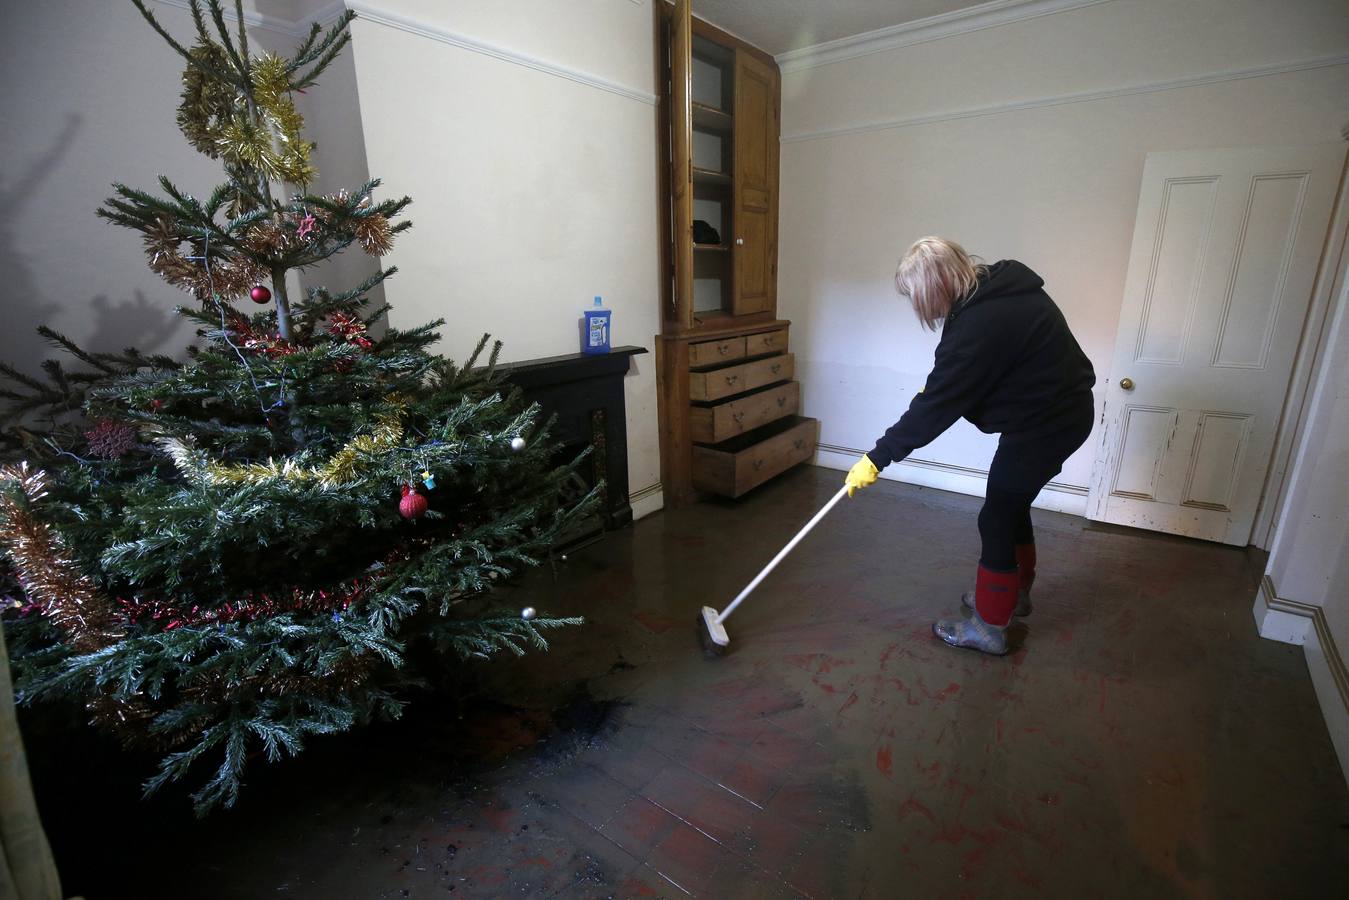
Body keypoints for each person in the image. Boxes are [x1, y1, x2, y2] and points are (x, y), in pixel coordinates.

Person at [844, 237, 1095, 656]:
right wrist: (946, 383)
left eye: (917, 297)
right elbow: (966, 376)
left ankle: (990, 627)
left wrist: (877, 457)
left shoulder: (981, 322)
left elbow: (938, 404)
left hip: (1048, 423)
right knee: (1009, 505)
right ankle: (1013, 595)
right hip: (1056, 414)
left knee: (996, 516)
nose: (919, 307)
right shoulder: (997, 288)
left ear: (936, 285)